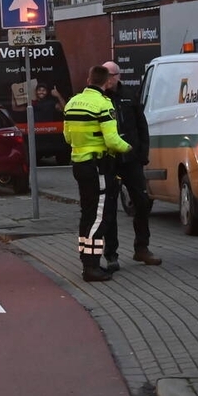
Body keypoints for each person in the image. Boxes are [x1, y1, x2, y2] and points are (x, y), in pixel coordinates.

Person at [64, 64, 132, 282]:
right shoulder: (104, 104)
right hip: (98, 166)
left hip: (79, 165)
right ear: (106, 82)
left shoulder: (72, 102)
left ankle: (86, 259)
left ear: (88, 79)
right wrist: (129, 149)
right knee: (99, 216)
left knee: (87, 213)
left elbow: (67, 138)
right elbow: (112, 140)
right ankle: (91, 267)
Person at [101, 61, 159, 270]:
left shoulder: (129, 95)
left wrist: (142, 154)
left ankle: (141, 248)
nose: (108, 79)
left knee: (142, 202)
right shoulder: (99, 97)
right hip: (110, 160)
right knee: (109, 207)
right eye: (104, 75)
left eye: (111, 75)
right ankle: (111, 254)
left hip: (131, 159)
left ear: (118, 76)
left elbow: (141, 125)